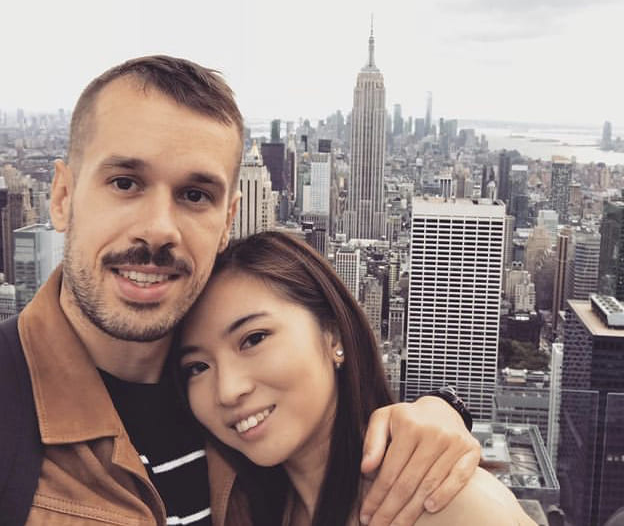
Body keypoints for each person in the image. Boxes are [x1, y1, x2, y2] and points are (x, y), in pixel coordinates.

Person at [14, 56, 481, 525]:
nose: (158, 229)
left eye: (195, 195)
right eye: (124, 183)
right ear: (62, 197)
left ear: (228, 221)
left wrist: (442, 416)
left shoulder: (246, 437)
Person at [178, 231, 535, 526]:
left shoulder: (447, 505)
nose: (228, 390)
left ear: (333, 335)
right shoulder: (248, 502)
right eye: (197, 367)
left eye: (254, 339)